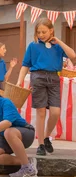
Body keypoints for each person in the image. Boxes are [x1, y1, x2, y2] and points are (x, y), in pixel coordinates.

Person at [16, 18, 76, 156]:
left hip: (54, 78)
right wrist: (19, 81)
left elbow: (73, 55)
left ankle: (47, 137)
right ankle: (41, 144)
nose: (41, 35)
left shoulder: (57, 46)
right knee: (41, 112)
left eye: (44, 32)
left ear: (51, 30)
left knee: (55, 112)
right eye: (38, 32)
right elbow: (25, 65)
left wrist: (58, 41)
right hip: (38, 77)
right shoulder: (33, 46)